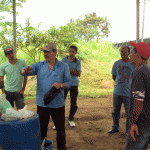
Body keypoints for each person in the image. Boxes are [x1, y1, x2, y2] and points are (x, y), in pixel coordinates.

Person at [20, 42, 71, 150]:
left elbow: (69, 83)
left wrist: (61, 85)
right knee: (41, 129)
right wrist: (24, 71)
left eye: (48, 52)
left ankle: (62, 148)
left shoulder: (63, 66)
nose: (45, 54)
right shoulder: (39, 65)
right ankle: (42, 147)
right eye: (44, 52)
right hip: (42, 104)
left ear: (55, 52)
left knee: (60, 130)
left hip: (58, 105)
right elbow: (25, 71)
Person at [125, 41, 150, 150]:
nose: (129, 54)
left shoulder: (139, 72)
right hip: (147, 122)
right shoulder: (147, 71)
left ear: (138, 55)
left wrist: (133, 122)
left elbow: (138, 101)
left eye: (132, 52)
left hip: (140, 124)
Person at [108, 46, 135, 134]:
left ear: (129, 53)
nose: (123, 53)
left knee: (129, 113)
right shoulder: (116, 63)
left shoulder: (133, 63)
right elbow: (114, 77)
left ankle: (128, 130)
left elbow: (135, 77)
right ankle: (115, 127)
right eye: (121, 51)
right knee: (115, 111)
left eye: (125, 52)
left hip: (128, 93)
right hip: (117, 92)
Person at [60, 45, 81, 127]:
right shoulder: (63, 60)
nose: (71, 53)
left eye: (73, 52)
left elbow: (78, 74)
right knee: (61, 102)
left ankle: (71, 119)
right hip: (64, 84)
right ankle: (59, 121)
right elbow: (61, 72)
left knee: (73, 103)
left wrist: (67, 71)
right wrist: (73, 71)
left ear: (76, 52)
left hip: (74, 85)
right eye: (70, 51)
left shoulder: (78, 62)